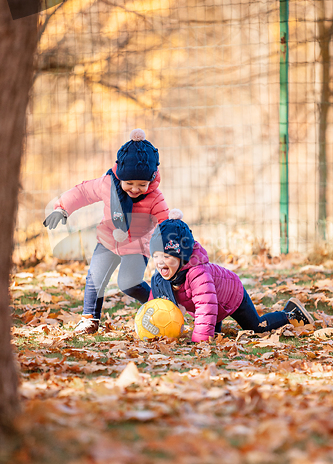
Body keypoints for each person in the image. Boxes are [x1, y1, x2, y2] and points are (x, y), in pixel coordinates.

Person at [44, 129, 169, 334]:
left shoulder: (155, 197)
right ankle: (89, 320)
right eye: (129, 184)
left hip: (137, 245)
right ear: (120, 175)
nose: (135, 189)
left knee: (129, 284)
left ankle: (160, 306)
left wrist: (169, 248)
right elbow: (82, 192)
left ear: (152, 178)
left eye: (142, 185)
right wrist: (62, 208)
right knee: (95, 278)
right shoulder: (107, 184)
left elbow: (164, 224)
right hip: (108, 240)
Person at [149, 211, 314, 343]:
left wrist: (200, 341)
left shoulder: (197, 273)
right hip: (215, 304)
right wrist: (150, 327)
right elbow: (155, 305)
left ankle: (291, 313)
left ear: (182, 256)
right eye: (156, 256)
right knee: (212, 332)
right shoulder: (162, 277)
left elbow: (206, 306)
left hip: (232, 295)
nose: (160, 262)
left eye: (166, 256)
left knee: (257, 327)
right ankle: (214, 330)